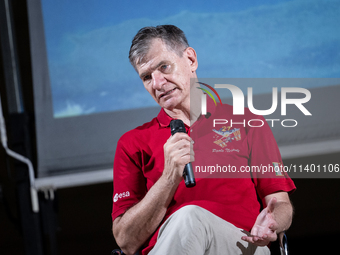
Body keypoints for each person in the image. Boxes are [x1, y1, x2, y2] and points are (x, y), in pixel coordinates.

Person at [111, 25, 295, 255]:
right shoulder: (132, 143)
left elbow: (281, 203)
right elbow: (126, 242)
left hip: (241, 246)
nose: (157, 83)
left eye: (164, 67)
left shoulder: (247, 122)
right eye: (147, 77)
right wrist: (169, 177)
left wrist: (273, 221)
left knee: (190, 217)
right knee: (188, 219)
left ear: (190, 59)